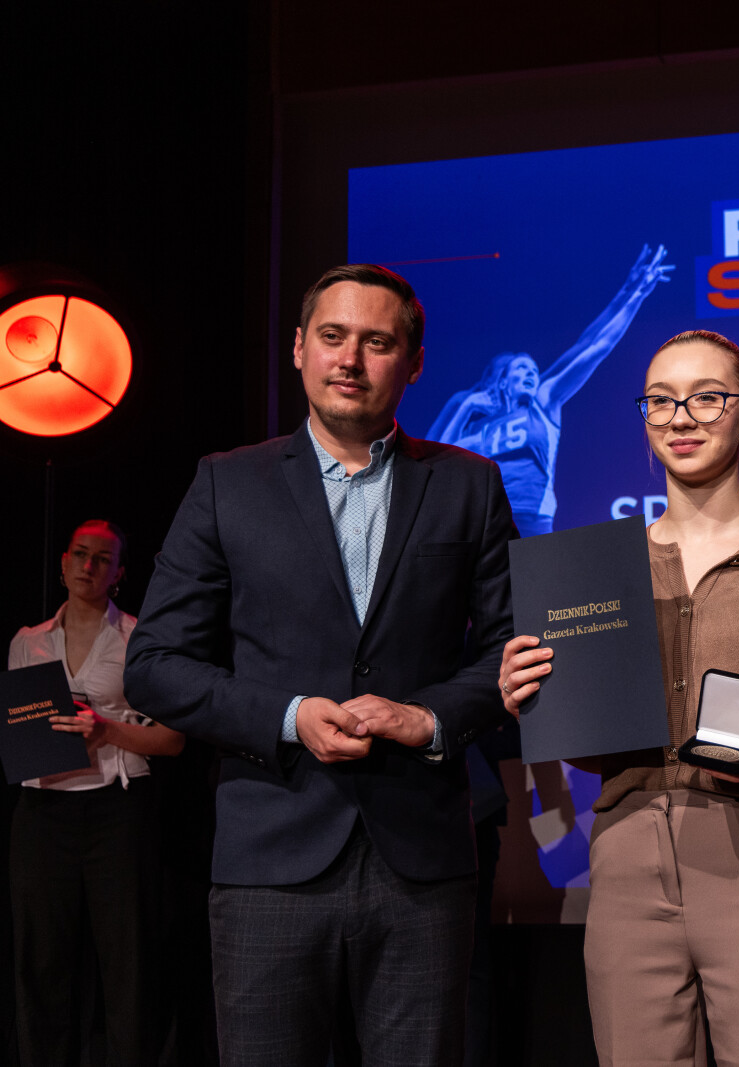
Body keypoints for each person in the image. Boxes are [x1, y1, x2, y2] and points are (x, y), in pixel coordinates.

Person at [125, 264, 516, 1067]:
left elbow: (514, 652)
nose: (350, 359)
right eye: (333, 336)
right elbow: (155, 666)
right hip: (269, 858)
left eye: (378, 342)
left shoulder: (469, 484)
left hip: (422, 861)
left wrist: (429, 717)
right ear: (299, 348)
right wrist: (288, 715)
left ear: (414, 363)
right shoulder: (226, 483)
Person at [498, 330, 739, 1067]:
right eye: (661, 401)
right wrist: (538, 700)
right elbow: (594, 746)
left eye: (707, 397)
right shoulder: (596, 573)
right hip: (625, 863)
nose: (681, 417)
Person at [8, 519, 184, 1066]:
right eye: (80, 555)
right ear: (63, 564)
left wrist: (106, 730)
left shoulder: (138, 640)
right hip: (43, 811)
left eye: (102, 559)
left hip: (116, 811)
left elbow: (173, 740)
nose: (88, 566)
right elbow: (19, 729)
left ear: (119, 573)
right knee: (42, 963)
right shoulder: (27, 641)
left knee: (127, 963)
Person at [429, 244, 674, 535]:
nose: (531, 373)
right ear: (503, 380)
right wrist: (467, 406)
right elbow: (433, 466)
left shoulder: (541, 404)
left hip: (530, 523)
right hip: (480, 524)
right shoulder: (477, 431)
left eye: (534, 370)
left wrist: (633, 293)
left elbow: (594, 346)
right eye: (522, 368)